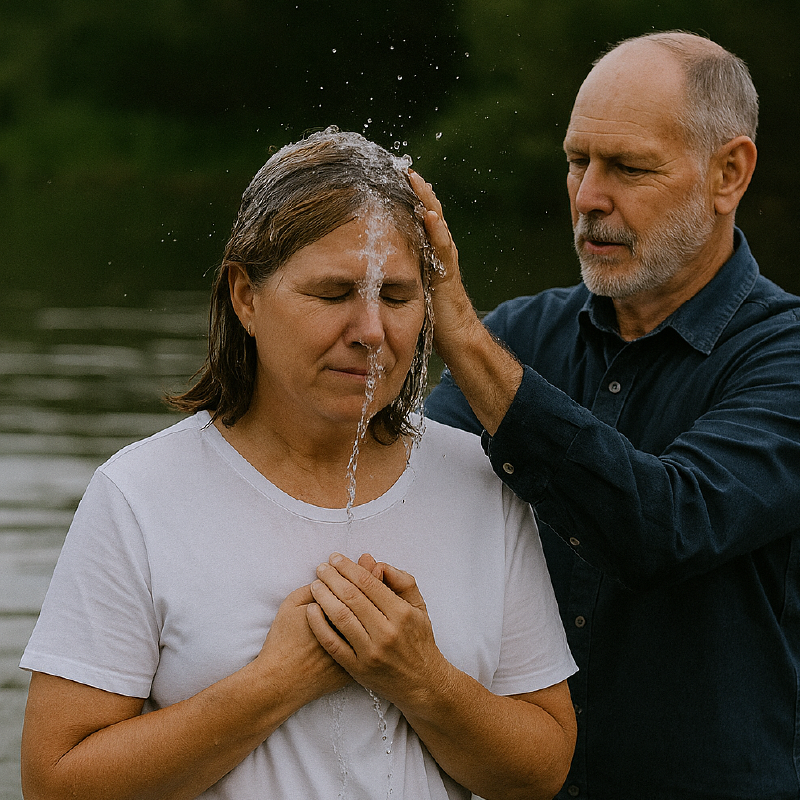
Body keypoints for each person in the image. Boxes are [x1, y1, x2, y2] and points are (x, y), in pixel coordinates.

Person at [19, 128, 577, 800]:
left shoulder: (483, 482)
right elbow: (56, 783)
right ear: (245, 298)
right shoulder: (140, 494)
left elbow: (542, 768)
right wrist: (277, 683)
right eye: (334, 293)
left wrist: (421, 677)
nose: (371, 331)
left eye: (397, 297)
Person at [420, 31, 800, 800]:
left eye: (628, 168)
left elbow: (666, 525)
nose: (589, 197)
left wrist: (459, 338)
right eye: (576, 161)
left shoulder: (785, 354)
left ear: (729, 173)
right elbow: (404, 492)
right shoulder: (521, 335)